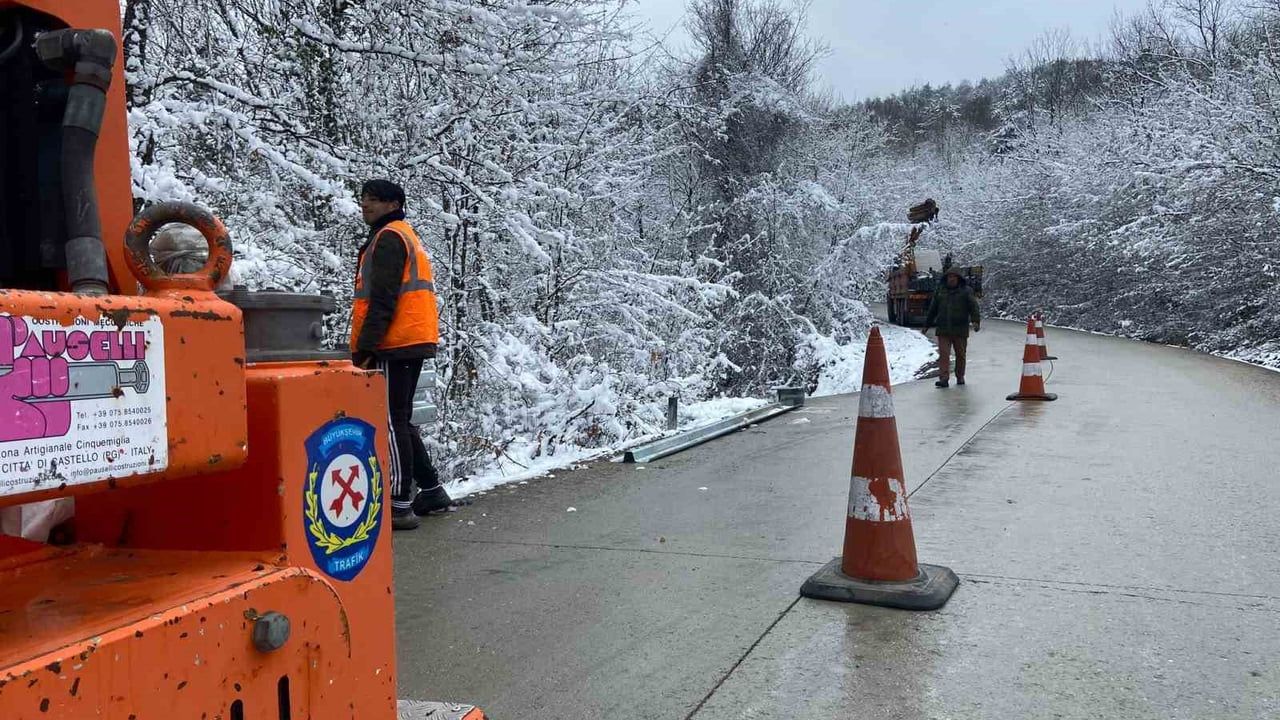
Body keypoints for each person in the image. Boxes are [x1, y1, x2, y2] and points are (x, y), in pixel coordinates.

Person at [350, 179, 454, 531]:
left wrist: (366, 347)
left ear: (394, 204)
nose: (366, 205)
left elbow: (383, 297)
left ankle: (398, 504)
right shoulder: (402, 234)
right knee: (403, 419)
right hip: (410, 338)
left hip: (394, 342)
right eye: (363, 199)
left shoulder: (390, 237)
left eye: (374, 200)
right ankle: (431, 490)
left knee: (391, 420)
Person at [923, 267, 980, 388]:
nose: (952, 279)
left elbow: (974, 307)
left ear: (959, 279)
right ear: (946, 278)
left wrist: (975, 321)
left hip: (960, 329)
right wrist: (926, 325)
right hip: (943, 329)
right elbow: (933, 309)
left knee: (960, 354)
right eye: (949, 277)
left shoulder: (966, 291)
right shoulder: (940, 291)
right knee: (944, 355)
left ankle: (960, 376)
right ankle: (944, 379)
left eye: (954, 277)